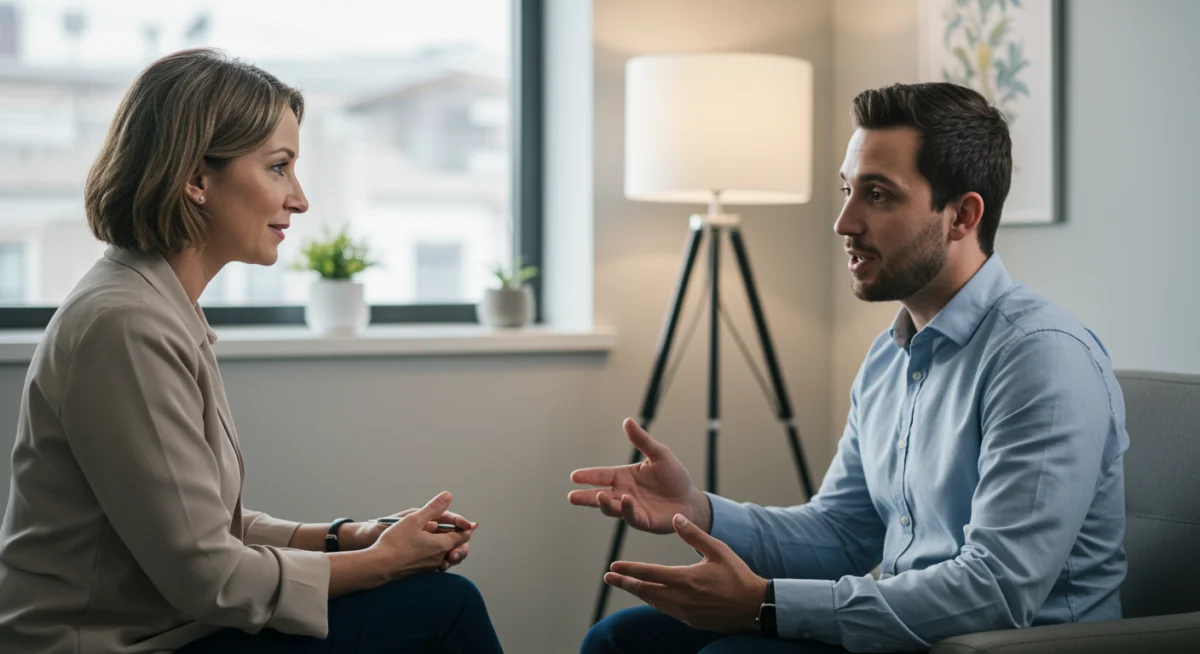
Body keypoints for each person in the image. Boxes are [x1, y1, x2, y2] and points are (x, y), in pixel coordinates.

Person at [570, 82, 1128, 653]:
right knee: (619, 640)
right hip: (907, 633)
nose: (844, 221)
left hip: (1004, 645)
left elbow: (998, 590)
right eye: (847, 190)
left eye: (878, 195)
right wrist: (700, 510)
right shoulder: (892, 355)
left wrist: (766, 604)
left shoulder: (1041, 358)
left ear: (962, 215)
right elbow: (842, 533)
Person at [0, 48, 503, 654]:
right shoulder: (125, 325)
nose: (299, 198)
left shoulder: (153, 304)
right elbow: (211, 576)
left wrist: (350, 537)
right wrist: (383, 564)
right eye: (279, 167)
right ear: (195, 178)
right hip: (109, 645)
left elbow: (206, 530)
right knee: (445, 607)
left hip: (164, 628)